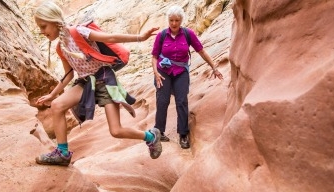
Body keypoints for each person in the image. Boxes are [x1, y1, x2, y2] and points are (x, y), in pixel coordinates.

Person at [33, 1, 162, 166]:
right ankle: (62, 153)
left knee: (116, 131)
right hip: (86, 82)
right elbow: (68, 74)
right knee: (57, 105)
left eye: (43, 26)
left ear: (53, 21)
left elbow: (110, 37)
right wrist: (52, 94)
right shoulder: (61, 47)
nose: (42, 32)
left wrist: (140, 37)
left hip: (104, 79)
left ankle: (151, 136)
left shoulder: (77, 31)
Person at [151, 5, 223, 149]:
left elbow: (201, 51)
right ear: (168, 20)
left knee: (182, 101)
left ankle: (183, 134)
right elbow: (154, 56)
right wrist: (156, 73)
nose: (174, 23)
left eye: (177, 20)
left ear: (181, 20)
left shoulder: (188, 34)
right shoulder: (162, 35)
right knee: (162, 101)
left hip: (181, 71)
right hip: (163, 72)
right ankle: (159, 132)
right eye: (171, 20)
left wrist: (214, 67)